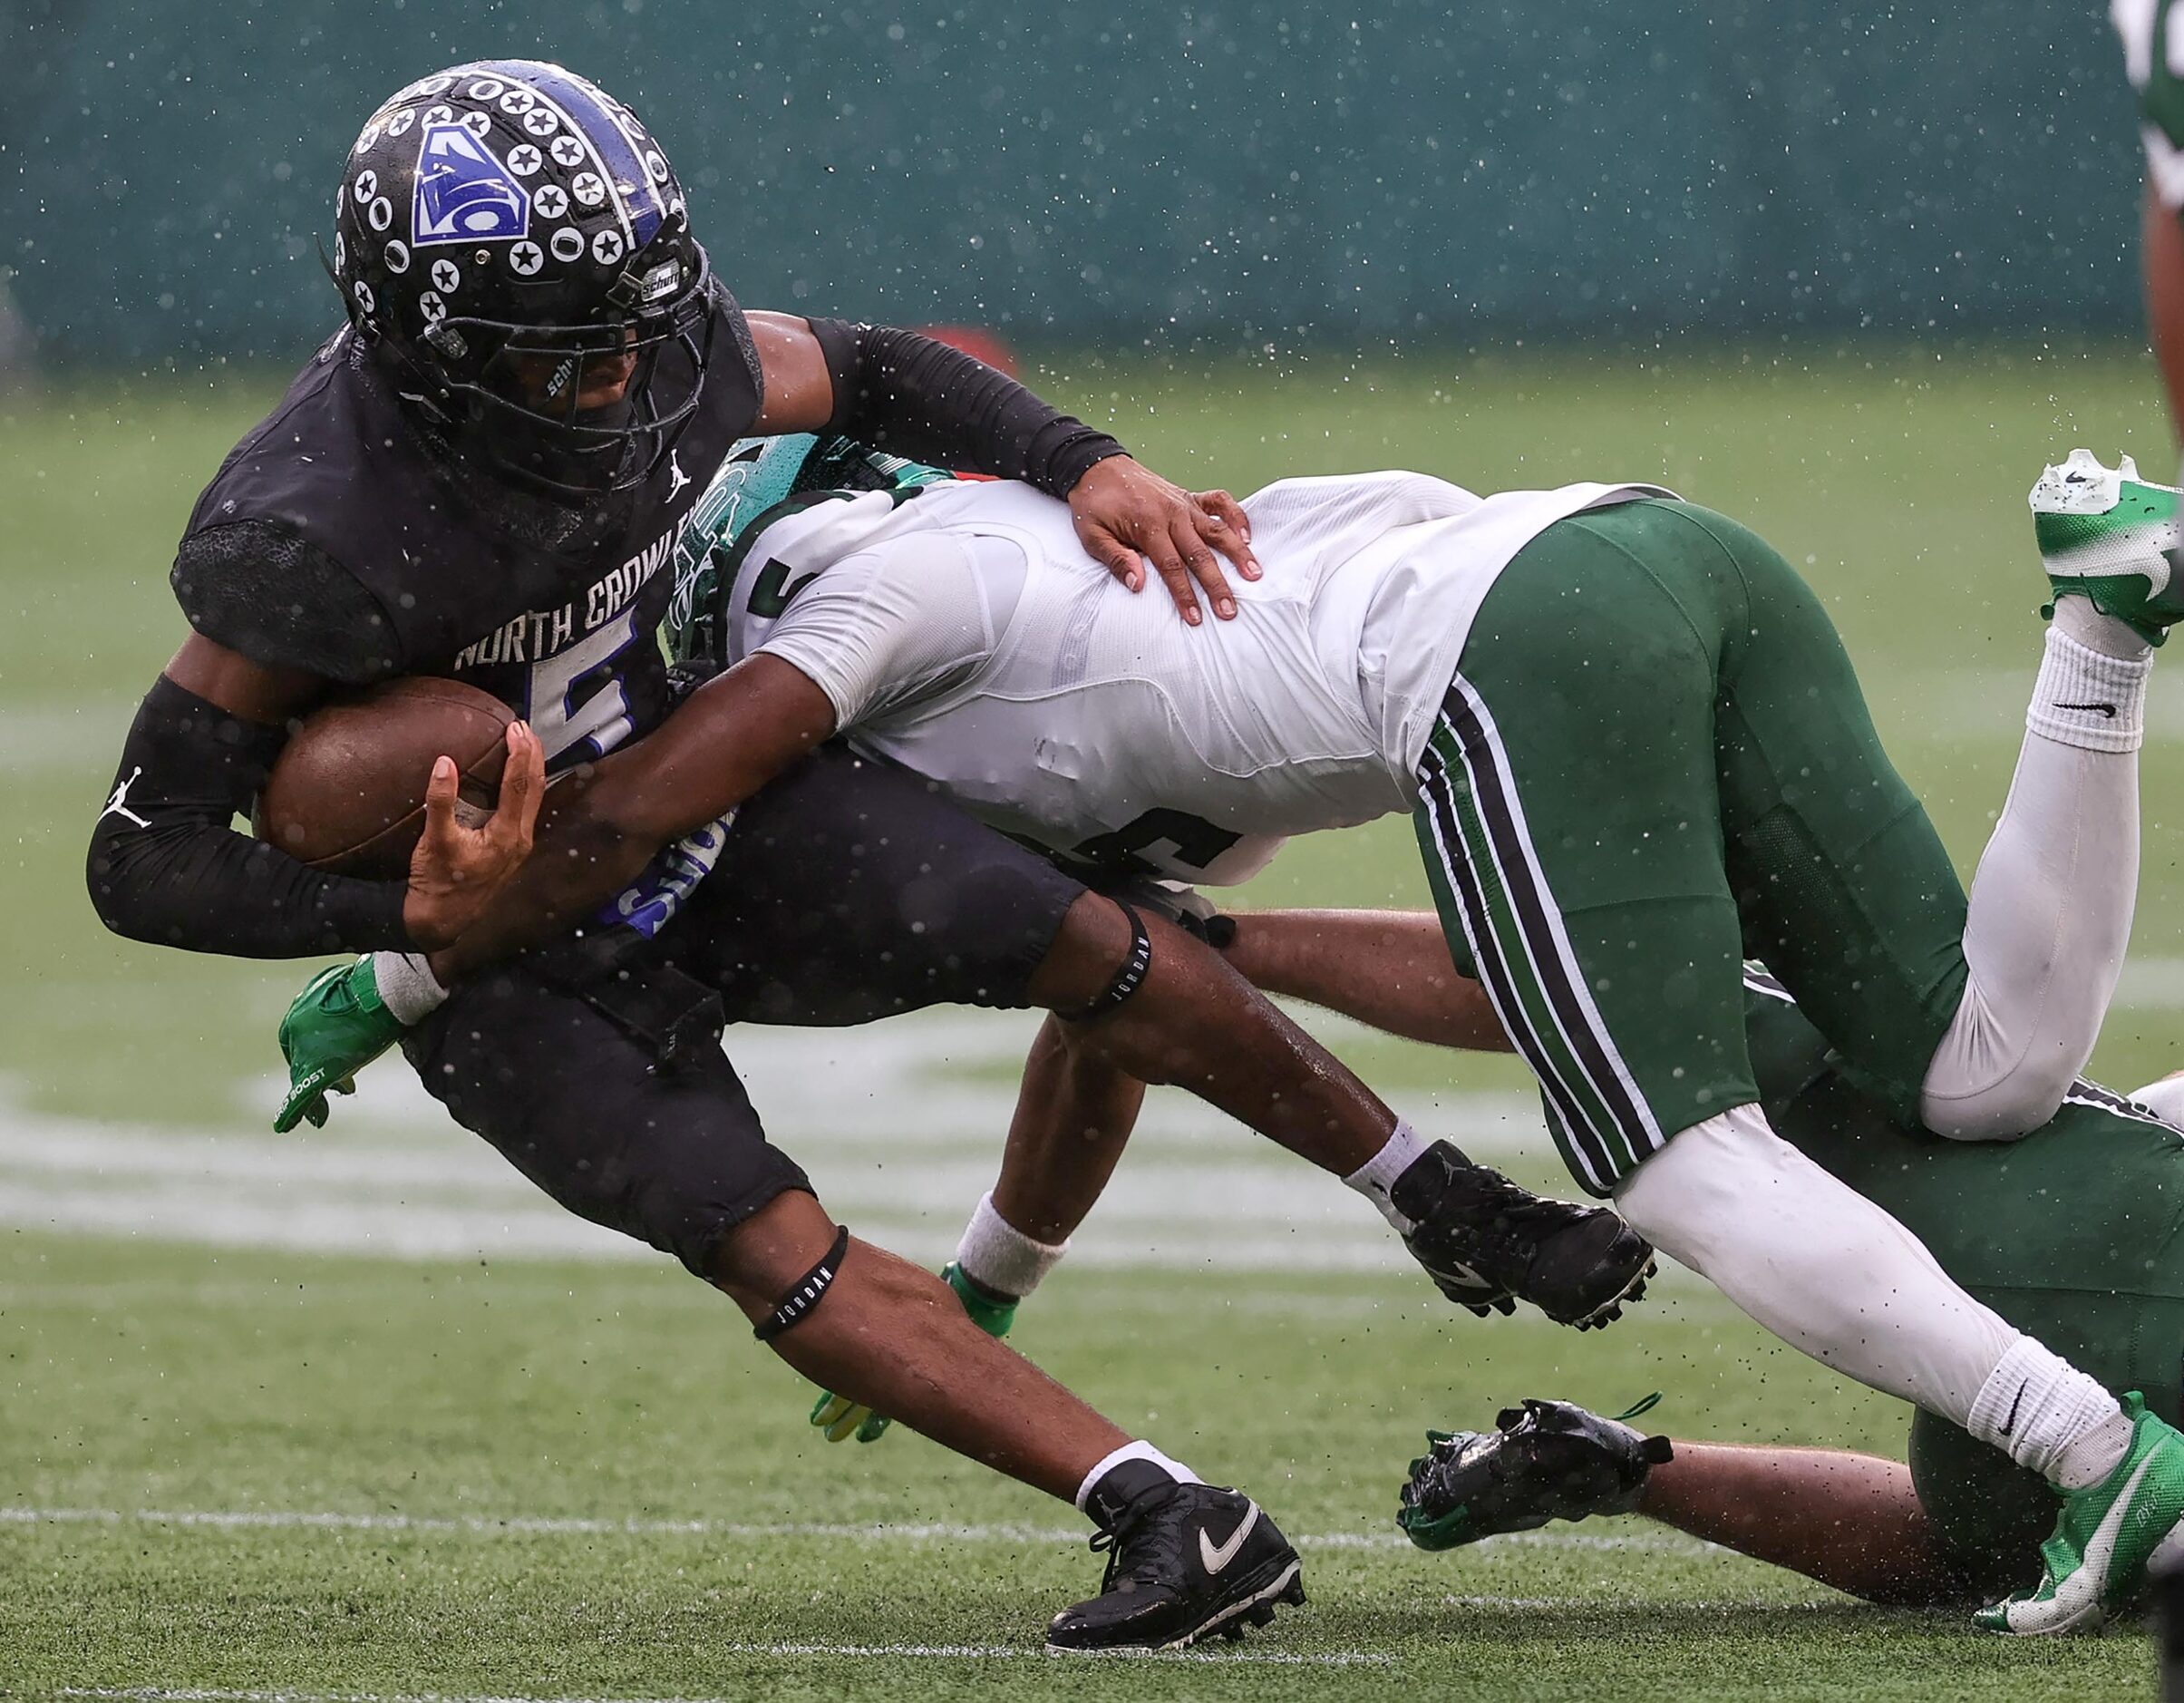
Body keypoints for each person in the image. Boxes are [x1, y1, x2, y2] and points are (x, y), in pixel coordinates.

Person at [86, 62, 1663, 1654]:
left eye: (637, 328)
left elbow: (868, 368)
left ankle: (1434, 1188)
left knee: (1082, 934)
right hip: (500, 945)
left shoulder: (660, 354)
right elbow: (140, 857)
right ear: (433, 351)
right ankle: (1162, 1510)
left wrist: (1078, 456)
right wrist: (395, 911)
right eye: (570, 355)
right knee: (763, 1234)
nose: (629, 379)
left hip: (695, 804)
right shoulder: (311, 532)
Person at [282, 430, 2184, 1631]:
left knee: (1675, 1163)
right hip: (1663, 548)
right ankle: (2097, 622)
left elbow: (718, 761)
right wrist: (992, 1285)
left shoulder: (886, 576)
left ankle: (2091, 1455)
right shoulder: (1142, 561)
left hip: (1504, 644)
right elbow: (1117, 1009)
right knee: (1974, 1066)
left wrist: (415, 968)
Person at [1399, 972, 2184, 1612]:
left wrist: (2080, 1179)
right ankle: (1620, 1467)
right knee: (1978, 1550)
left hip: (2101, 1222)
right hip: (2103, 1287)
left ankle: (1278, 962)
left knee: (1616, 980)